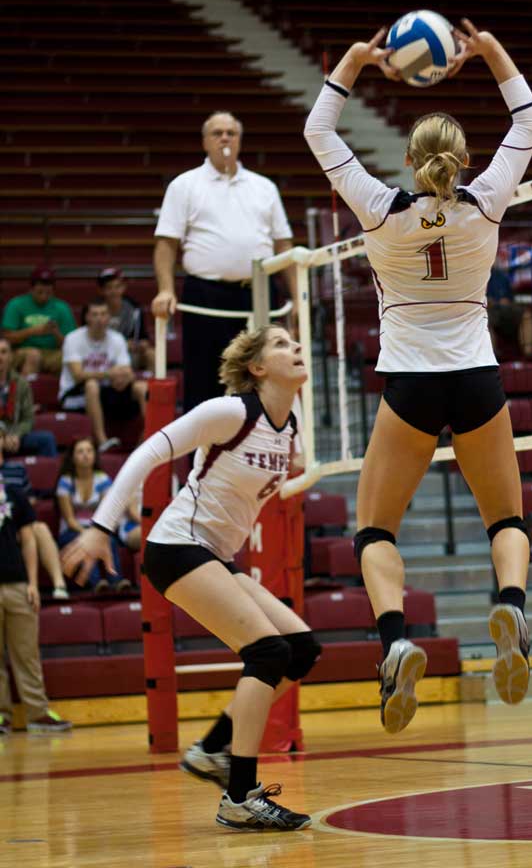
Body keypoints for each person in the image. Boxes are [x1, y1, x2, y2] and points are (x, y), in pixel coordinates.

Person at [304, 20, 532, 732]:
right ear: (464, 160)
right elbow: (528, 120)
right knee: (506, 518)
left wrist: (354, 61)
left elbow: (319, 131)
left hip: (409, 381)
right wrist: (490, 51)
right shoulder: (486, 201)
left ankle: (396, 642)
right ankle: (511, 607)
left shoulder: (381, 211)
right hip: (477, 377)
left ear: (409, 161)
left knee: (375, 528)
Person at [62, 325, 318, 831]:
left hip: (214, 554)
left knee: (301, 649)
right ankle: (240, 796)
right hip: (176, 547)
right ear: (257, 368)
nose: (296, 348)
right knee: (268, 652)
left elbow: (273, 483)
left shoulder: (290, 427)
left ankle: (212, 749)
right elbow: (148, 453)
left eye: (295, 341)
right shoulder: (229, 412)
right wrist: (99, 528)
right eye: (281, 344)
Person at [151, 110, 296, 412]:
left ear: (240, 140)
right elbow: (166, 243)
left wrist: (297, 297)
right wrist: (165, 290)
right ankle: (204, 444)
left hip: (258, 294)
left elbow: (284, 245)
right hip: (205, 295)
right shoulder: (184, 185)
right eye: (217, 133)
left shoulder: (264, 187)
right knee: (204, 379)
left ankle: (262, 440)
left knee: (264, 377)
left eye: (231, 133)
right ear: (205, 142)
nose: (225, 138)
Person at [0, 472, 72, 735]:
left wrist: (32, 583)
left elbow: (29, 540)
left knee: (27, 655)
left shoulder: (14, 494)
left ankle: (38, 714)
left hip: (18, 584)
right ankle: (1, 716)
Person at [59, 298, 147, 453]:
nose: (99, 319)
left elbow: (127, 371)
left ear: (109, 317)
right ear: (87, 317)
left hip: (108, 390)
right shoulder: (73, 339)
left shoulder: (117, 338)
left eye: (103, 314)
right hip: (75, 393)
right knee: (91, 384)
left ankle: (147, 437)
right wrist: (109, 374)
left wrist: (123, 379)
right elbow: (78, 375)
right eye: (95, 314)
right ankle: (102, 441)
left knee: (141, 387)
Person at [0, 424, 68, 600]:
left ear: (4, 441)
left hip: (16, 523)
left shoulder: (17, 469)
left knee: (39, 528)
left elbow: (29, 500)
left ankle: (59, 584)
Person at [56, 438, 129, 594]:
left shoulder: (102, 479)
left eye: (89, 451)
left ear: (95, 455)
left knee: (109, 540)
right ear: (72, 457)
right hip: (71, 530)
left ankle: (117, 581)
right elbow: (69, 520)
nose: (85, 455)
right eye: (80, 451)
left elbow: (107, 513)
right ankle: (97, 583)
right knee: (85, 541)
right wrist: (88, 535)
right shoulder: (65, 481)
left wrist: (96, 533)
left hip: (96, 526)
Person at [1, 267, 76, 377]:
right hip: (22, 351)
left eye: (48, 285)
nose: (45, 289)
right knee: (33, 355)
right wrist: (33, 331)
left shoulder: (62, 308)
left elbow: (71, 345)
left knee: (73, 360)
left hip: (52, 353)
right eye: (41, 285)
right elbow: (7, 337)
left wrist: (56, 333)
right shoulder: (16, 304)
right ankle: (25, 388)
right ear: (32, 288)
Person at [0, 337, 57, 457]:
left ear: (11, 357)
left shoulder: (21, 383)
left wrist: (16, 435)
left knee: (47, 439)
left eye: (4, 352)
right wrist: (2, 435)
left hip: (14, 435)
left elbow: (28, 419)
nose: (0, 357)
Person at [97, 268, 155, 372]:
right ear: (101, 290)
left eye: (117, 286)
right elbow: (91, 340)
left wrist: (140, 344)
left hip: (129, 353)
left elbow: (143, 337)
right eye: (109, 287)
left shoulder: (134, 308)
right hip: (103, 354)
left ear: (124, 287)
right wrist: (122, 344)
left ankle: (149, 380)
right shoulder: (94, 309)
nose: (114, 291)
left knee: (151, 354)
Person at [486, 262, 532, 358]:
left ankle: (528, 354)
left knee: (527, 315)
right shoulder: (478, 276)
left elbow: (511, 298)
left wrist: (507, 301)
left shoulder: (501, 275)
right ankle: (492, 356)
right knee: (485, 319)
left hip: (506, 310)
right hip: (488, 311)